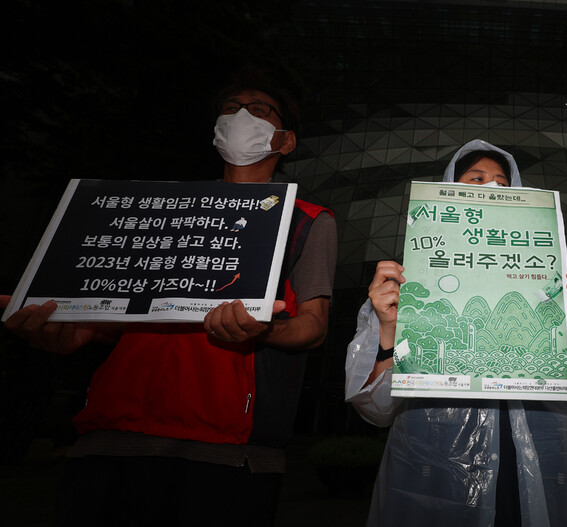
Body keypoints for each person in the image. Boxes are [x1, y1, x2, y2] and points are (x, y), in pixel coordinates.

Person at [2, 67, 337, 526]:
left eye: (258, 111)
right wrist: (69, 330)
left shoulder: (307, 220)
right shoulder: (158, 211)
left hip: (226, 452)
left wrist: (262, 328)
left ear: (285, 140)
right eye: (230, 109)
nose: (240, 117)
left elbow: (314, 327)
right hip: (111, 438)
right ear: (215, 131)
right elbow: (111, 315)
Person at [345, 139, 567, 527]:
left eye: (502, 182)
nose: (491, 189)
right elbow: (376, 410)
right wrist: (392, 328)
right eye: (476, 179)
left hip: (529, 476)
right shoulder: (403, 284)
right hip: (434, 480)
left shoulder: (545, 287)